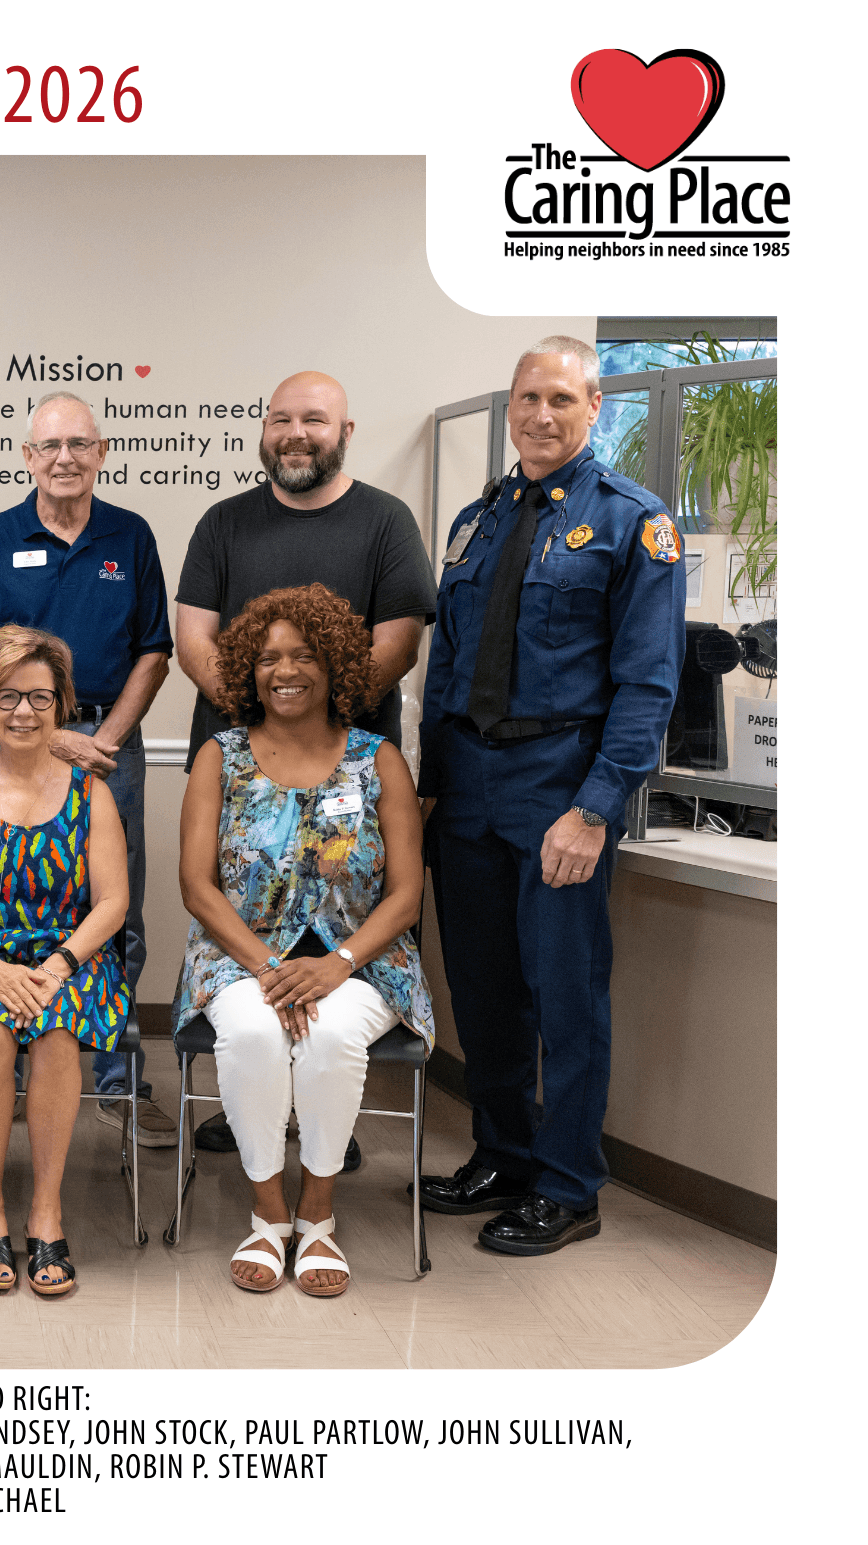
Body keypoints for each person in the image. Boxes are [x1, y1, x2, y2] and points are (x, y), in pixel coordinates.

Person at [417, 336, 684, 1255]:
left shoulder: (633, 522)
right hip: (468, 787)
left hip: (558, 787)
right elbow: (447, 660)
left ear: (594, 405)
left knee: (566, 995)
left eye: (560, 399)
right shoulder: (476, 520)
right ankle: (502, 1153)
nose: (539, 414)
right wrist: (427, 786)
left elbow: (649, 684)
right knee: (483, 990)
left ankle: (569, 1185)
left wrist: (595, 807)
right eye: (528, 397)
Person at [173, 370, 436, 1160]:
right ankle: (255, 1104)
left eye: (314, 420)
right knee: (251, 935)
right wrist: (269, 711)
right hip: (245, 760)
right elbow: (194, 638)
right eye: (281, 419)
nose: (296, 432)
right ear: (264, 430)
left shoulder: (385, 522)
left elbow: (399, 640)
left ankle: (327, 1117)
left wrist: (324, 718)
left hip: (349, 764)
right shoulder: (224, 523)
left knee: (332, 943)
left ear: (344, 431)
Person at [171, 586, 433, 1297]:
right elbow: (197, 885)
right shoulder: (218, 757)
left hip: (365, 958)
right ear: (247, 672)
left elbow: (405, 895)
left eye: (303, 654)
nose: (283, 670)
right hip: (238, 954)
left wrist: (336, 965)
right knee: (255, 1034)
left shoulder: (377, 761)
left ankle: (318, 1214)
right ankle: (267, 1212)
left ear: (338, 664)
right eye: (266, 658)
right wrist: (268, 968)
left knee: (329, 1034)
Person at [0, 391, 173, 1148]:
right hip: (12, 737)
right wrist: (46, 735)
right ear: (27, 457)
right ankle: (2, 1073)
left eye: (80, 444)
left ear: (102, 452)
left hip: (111, 742)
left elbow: (155, 650)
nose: (65, 458)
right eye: (50, 446)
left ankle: (116, 1079)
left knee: (117, 906)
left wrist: (98, 740)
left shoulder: (130, 535)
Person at [0, 626, 132, 1296]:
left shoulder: (90, 795)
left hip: (68, 956)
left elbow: (113, 903)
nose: (23, 711)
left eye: (39, 696)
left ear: (62, 704)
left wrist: (60, 965)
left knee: (59, 1033)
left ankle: (46, 1211)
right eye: (7, 696)